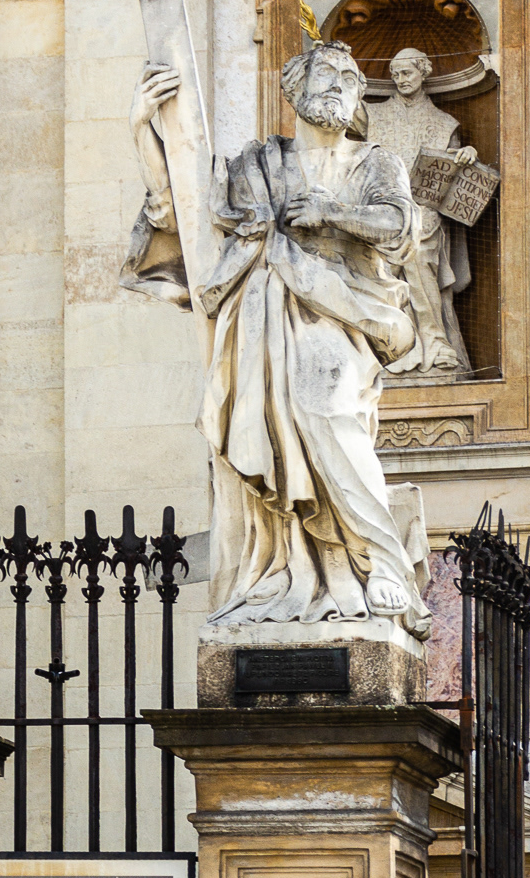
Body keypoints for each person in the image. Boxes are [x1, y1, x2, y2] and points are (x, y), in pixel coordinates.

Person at [125, 35, 430, 635]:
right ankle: (300, 572)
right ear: (294, 90)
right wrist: (142, 131)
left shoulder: (374, 162)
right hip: (262, 317)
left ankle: (381, 560)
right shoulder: (256, 166)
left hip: (343, 311)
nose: (342, 85)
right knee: (265, 434)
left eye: (351, 78)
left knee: (328, 412)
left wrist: (332, 213)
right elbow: (182, 209)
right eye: (329, 74)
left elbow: (400, 226)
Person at [365, 46, 476, 374]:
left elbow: (454, 172)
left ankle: (436, 343)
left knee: (420, 264)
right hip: (383, 212)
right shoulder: (374, 114)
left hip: (424, 216)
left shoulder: (444, 123)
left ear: (423, 72)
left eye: (407, 72)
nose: (400, 79)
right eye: (395, 74)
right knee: (380, 273)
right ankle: (387, 346)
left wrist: (468, 153)